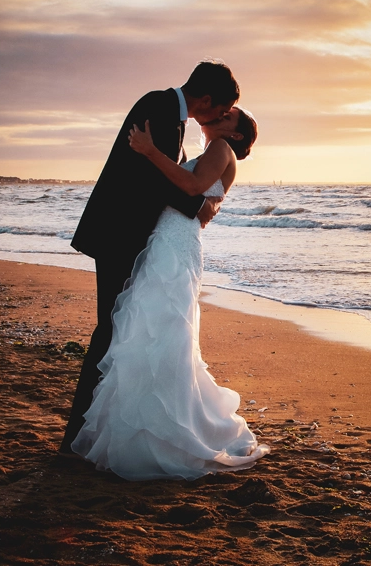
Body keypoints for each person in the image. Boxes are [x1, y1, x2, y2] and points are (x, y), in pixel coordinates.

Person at [71, 106, 268, 480]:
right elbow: (195, 197)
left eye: (229, 116)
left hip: (175, 244)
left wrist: (149, 151)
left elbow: (193, 189)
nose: (220, 116)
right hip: (171, 239)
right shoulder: (214, 151)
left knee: (160, 329)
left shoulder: (221, 149)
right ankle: (147, 428)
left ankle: (163, 433)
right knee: (154, 328)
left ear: (236, 134)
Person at [61, 60, 239, 456]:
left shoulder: (172, 117)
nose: (218, 117)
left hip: (132, 237)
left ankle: (88, 432)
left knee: (118, 330)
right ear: (206, 100)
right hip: (117, 235)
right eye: (220, 109)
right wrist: (197, 206)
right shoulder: (159, 106)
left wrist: (198, 203)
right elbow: (149, 176)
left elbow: (164, 176)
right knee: (110, 331)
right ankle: (79, 435)